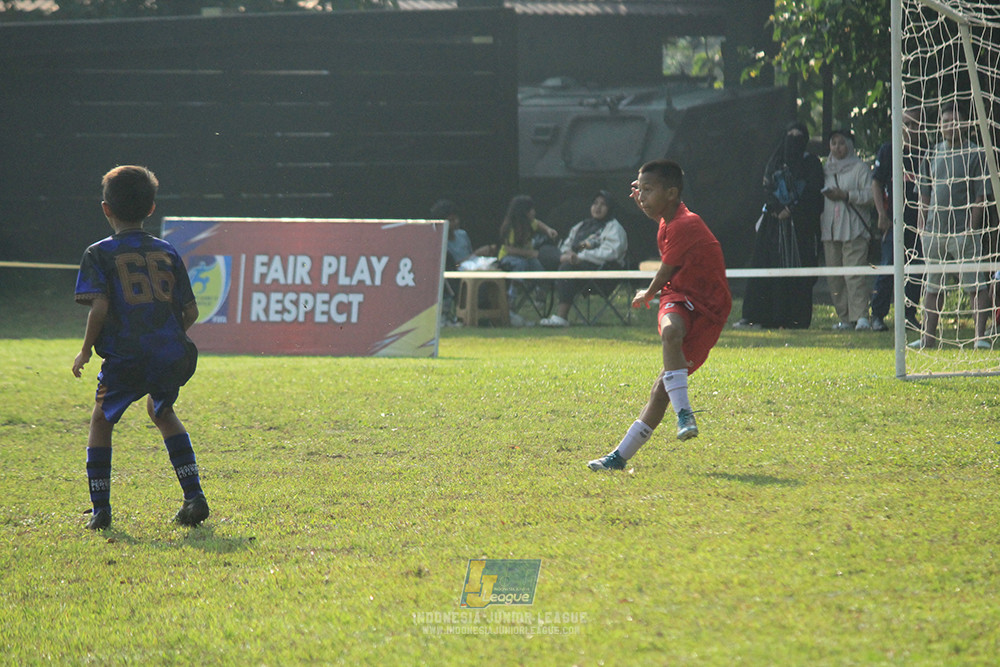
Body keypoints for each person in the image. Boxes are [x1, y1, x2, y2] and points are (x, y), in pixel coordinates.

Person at [72, 165, 209, 530]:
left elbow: (99, 306)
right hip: (171, 354)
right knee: (162, 412)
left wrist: (85, 350)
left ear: (106, 209)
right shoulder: (167, 252)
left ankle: (101, 510)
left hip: (127, 357)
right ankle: (194, 496)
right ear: (151, 208)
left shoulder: (99, 254)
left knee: (102, 420)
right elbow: (191, 310)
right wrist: (165, 336)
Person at [588, 160, 731, 471]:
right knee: (670, 331)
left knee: (659, 390)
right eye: (640, 189)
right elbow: (671, 268)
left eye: (648, 190)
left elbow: (665, 269)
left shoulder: (684, 224)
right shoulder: (670, 219)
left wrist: (648, 293)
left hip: (709, 309)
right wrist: (646, 202)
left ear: (672, 192)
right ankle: (682, 416)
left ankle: (619, 457)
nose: (641, 196)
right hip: (679, 296)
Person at [912, 105, 992, 350]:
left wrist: (971, 227)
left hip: (963, 232)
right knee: (933, 286)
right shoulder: (933, 153)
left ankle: (980, 337)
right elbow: (925, 193)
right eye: (946, 121)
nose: (950, 125)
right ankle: (928, 338)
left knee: (975, 284)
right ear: (940, 125)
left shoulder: (976, 153)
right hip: (936, 231)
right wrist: (922, 225)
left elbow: (981, 195)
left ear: (966, 124)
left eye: (955, 121)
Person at [733, 122, 824, 329]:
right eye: (790, 135)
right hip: (772, 226)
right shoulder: (774, 161)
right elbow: (765, 188)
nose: (793, 140)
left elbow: (812, 191)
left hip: (800, 228)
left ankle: (792, 318)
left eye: (798, 136)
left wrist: (791, 210)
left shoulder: (811, 163)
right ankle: (757, 315)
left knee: (795, 270)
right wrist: (776, 209)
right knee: (765, 267)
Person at [539, 190, 628, 327]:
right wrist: (567, 254)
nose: (597, 207)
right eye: (595, 203)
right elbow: (567, 244)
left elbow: (611, 253)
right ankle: (563, 260)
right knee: (544, 251)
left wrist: (580, 258)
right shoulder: (582, 225)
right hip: (575, 265)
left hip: (601, 274)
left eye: (603, 204)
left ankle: (561, 317)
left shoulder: (614, 228)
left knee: (567, 267)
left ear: (609, 208)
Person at [870, 108, 924, 332]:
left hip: (919, 223)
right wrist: (882, 214)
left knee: (917, 269)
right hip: (894, 223)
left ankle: (910, 315)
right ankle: (878, 315)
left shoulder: (924, 152)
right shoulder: (888, 150)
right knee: (888, 267)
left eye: (914, 125)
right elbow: (876, 183)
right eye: (906, 124)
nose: (910, 129)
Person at [820, 129, 875, 330]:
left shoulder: (860, 168)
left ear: (849, 146)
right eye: (833, 143)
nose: (837, 147)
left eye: (841, 143)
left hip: (854, 229)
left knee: (854, 274)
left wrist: (846, 195)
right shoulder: (825, 170)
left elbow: (870, 195)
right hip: (830, 229)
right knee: (835, 277)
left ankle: (861, 316)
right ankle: (845, 318)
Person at [496, 194, 559, 272]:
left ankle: (541, 284)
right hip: (508, 257)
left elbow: (538, 224)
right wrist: (530, 253)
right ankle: (517, 284)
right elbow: (510, 250)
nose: (533, 212)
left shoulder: (529, 222)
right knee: (521, 265)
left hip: (527, 258)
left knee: (538, 269)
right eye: (530, 209)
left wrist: (548, 230)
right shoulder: (511, 228)